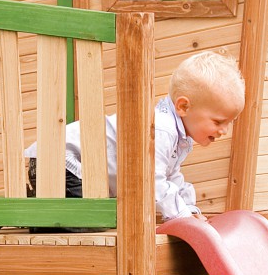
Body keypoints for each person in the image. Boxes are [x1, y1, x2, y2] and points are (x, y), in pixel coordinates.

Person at [24, 49, 245, 221]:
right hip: (60, 162)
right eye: (218, 122)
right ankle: (31, 210)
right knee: (91, 219)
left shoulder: (177, 136)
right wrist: (181, 216)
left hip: (70, 169)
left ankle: (36, 206)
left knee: (101, 215)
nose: (224, 131)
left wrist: (188, 209)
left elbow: (170, 177)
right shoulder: (161, 129)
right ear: (184, 107)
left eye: (228, 123)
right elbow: (152, 181)